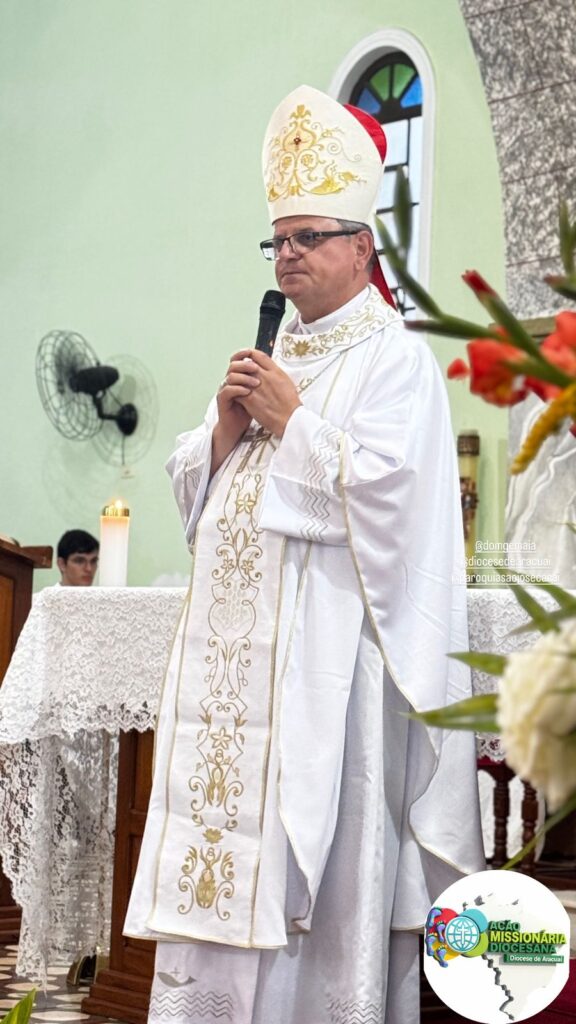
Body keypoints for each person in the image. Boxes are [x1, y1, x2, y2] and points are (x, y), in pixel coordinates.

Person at [124, 85, 484, 1024]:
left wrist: (295, 422)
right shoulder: (273, 350)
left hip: (332, 673)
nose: (287, 255)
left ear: (361, 248)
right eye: (277, 241)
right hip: (240, 675)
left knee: (312, 886)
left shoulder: (396, 360)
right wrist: (223, 431)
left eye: (308, 238)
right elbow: (203, 492)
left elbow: (397, 505)